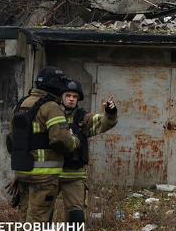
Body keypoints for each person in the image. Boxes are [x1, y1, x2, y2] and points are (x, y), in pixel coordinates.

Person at [7, 67, 80, 223]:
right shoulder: (51, 107)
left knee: (24, 218)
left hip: (23, 171)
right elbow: (60, 140)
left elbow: (11, 139)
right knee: (38, 220)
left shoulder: (21, 103)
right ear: (54, 85)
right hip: (44, 176)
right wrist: (75, 141)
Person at [58, 79, 118, 226]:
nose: (71, 99)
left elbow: (102, 122)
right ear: (62, 97)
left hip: (74, 174)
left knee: (76, 216)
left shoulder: (82, 118)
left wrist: (110, 112)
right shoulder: (50, 114)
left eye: (75, 96)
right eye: (68, 95)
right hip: (50, 173)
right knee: (42, 214)